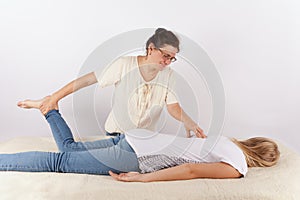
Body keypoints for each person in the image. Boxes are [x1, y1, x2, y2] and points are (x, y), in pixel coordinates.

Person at [2, 101, 279, 182]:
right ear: (263, 163)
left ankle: (50, 109)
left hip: (137, 138)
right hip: (136, 158)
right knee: (58, 163)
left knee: (69, 150)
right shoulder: (237, 167)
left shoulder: (228, 142)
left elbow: (189, 156)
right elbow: (190, 170)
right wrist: (141, 179)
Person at [18, 28, 206, 138]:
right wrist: (55, 98)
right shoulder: (124, 65)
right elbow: (87, 80)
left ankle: (47, 106)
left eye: (172, 58)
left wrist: (190, 123)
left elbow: (173, 107)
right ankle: (47, 106)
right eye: (165, 56)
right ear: (151, 49)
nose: (167, 62)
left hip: (145, 139)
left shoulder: (169, 76)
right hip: (118, 134)